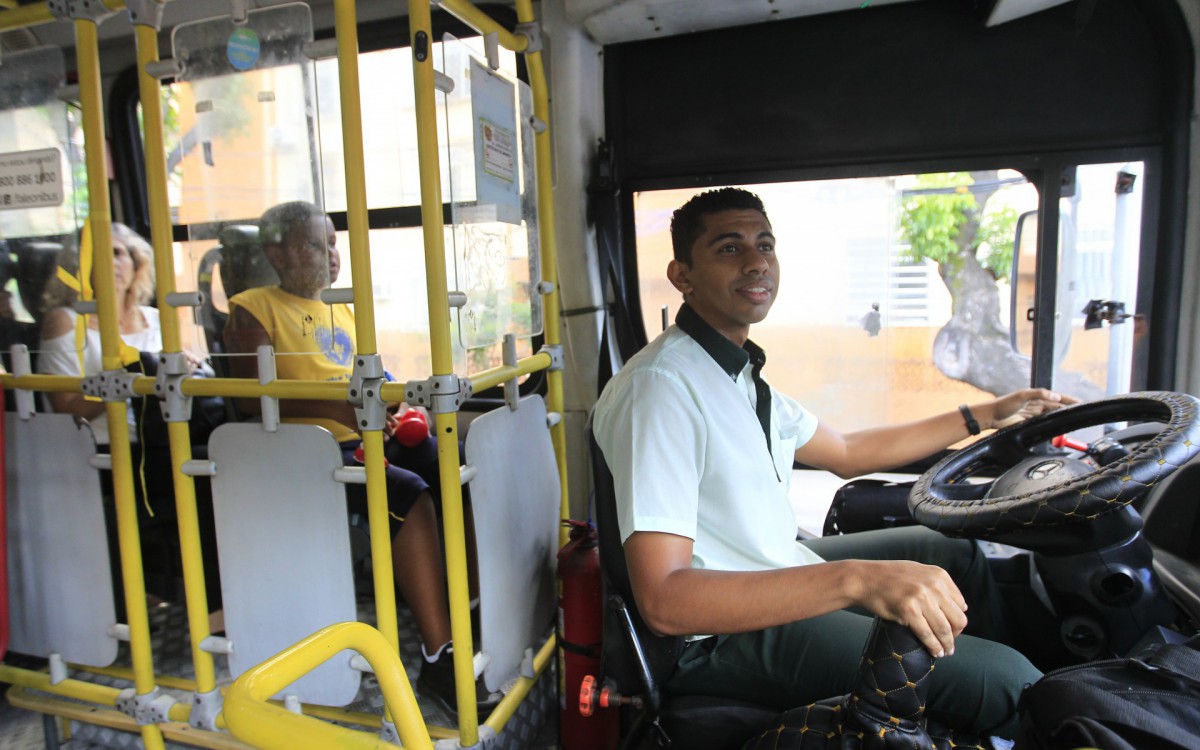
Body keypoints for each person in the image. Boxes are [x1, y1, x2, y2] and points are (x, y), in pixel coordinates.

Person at [592, 187, 1078, 739]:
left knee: (949, 553)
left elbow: (847, 452)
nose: (756, 262)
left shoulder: (737, 373)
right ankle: (1012, 698)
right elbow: (666, 600)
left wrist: (987, 413)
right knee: (1006, 679)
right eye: (729, 248)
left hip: (772, 564)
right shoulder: (661, 388)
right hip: (715, 637)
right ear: (683, 274)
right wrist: (854, 581)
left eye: (765, 245)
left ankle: (969, 704)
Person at [223, 200, 497, 717]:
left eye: (332, 242)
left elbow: (373, 380)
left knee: (451, 466)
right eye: (312, 243)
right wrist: (342, 406)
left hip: (360, 433)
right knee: (405, 493)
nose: (329, 254)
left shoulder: (344, 307)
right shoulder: (253, 307)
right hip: (304, 450)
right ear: (275, 253)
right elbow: (249, 396)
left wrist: (394, 406)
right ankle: (440, 655)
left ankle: (471, 612)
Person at [37, 221, 222, 620]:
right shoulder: (65, 321)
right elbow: (65, 406)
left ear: (136, 263)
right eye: (96, 254)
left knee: (224, 462)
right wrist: (121, 385)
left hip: (167, 438)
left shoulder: (158, 319)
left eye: (118, 253)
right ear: (77, 265)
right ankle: (212, 610)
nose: (111, 262)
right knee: (204, 476)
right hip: (104, 450)